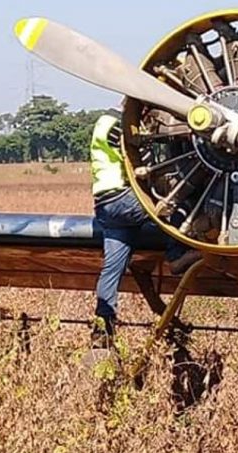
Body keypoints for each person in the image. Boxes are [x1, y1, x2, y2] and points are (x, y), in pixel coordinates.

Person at [91, 109, 201, 346]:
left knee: (111, 270)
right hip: (122, 197)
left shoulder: (102, 122)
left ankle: (103, 328)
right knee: (175, 204)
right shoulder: (117, 125)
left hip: (105, 208)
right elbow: (136, 154)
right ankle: (176, 255)